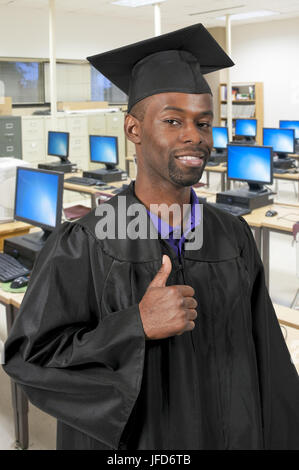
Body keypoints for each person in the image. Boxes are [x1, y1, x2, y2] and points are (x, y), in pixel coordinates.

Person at [3, 24, 299, 450]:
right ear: (133, 129)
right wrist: (133, 325)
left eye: (202, 122)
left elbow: (269, 361)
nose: (193, 135)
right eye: (173, 120)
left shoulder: (232, 236)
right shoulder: (85, 242)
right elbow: (32, 360)